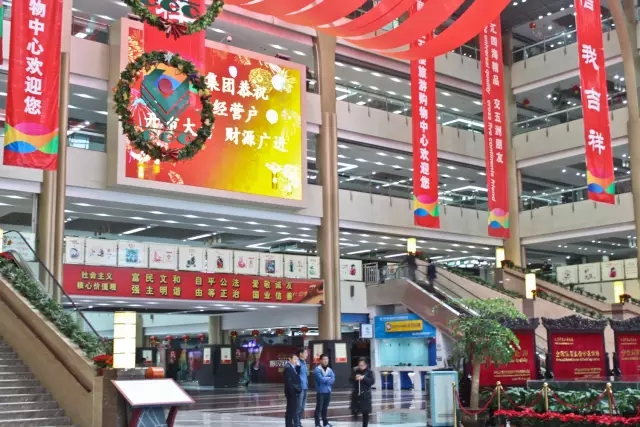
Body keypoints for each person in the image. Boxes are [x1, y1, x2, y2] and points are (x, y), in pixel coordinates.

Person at [351, 358, 375, 427]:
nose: (361, 366)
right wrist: (355, 377)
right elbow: (350, 379)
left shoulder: (369, 372)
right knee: (355, 411)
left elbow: (372, 381)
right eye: (360, 365)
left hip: (365, 396)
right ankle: (355, 423)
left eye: (362, 365)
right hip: (356, 395)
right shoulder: (355, 371)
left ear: (366, 365)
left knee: (365, 413)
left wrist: (363, 378)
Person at [314, 354, 335, 427]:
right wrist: (328, 378)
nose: (326, 360)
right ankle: (317, 424)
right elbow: (321, 379)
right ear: (320, 360)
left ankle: (325, 423)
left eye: (327, 359)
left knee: (325, 408)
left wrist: (326, 379)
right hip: (321, 392)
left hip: (328, 391)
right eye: (324, 359)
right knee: (319, 408)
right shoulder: (317, 369)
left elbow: (333, 379)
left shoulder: (329, 369)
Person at [284, 352, 301, 427]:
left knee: (292, 409)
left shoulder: (293, 367)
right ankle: (289, 425)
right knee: (290, 410)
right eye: (294, 359)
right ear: (290, 359)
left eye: (297, 359)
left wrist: (298, 367)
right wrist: (291, 392)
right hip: (291, 392)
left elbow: (297, 376)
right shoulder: (288, 368)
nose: (296, 361)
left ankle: (290, 424)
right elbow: (289, 382)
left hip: (293, 391)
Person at [296, 348, 309, 427]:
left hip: (305, 387)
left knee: (302, 407)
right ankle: (296, 423)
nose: (306, 354)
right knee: (298, 407)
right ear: (300, 354)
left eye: (307, 353)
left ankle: (299, 422)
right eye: (305, 353)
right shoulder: (297, 362)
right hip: (300, 388)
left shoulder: (304, 363)